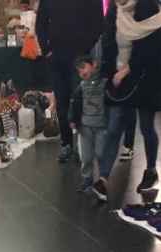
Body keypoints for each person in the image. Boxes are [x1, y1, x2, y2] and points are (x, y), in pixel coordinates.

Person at [95, 0, 161, 203]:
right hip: (119, 78)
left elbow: (152, 49)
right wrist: (109, 74)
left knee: (146, 127)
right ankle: (103, 178)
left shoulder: (151, 9)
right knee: (114, 126)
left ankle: (151, 170)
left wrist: (128, 70)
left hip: (146, 78)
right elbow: (108, 42)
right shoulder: (114, 11)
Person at [35, 0, 104, 163]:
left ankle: (83, 146)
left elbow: (98, 24)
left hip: (79, 58)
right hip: (57, 58)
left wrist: (84, 49)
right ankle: (66, 143)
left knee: (80, 102)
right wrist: (47, 50)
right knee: (62, 103)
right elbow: (41, 24)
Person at [69, 55, 108, 198]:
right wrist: (73, 119)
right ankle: (87, 179)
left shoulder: (104, 82)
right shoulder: (81, 86)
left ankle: (102, 180)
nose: (82, 73)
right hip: (85, 127)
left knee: (101, 153)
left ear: (94, 65)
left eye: (84, 67)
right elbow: (74, 102)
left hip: (101, 126)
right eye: (79, 71)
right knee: (85, 156)